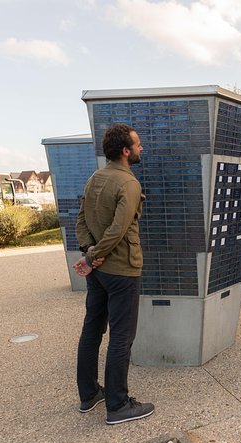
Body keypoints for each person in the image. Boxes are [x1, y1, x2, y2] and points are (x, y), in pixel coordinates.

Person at [72, 123, 154, 425]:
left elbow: (80, 220)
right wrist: (93, 255)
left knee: (91, 330)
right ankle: (118, 405)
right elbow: (118, 229)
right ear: (125, 150)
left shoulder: (95, 178)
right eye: (138, 144)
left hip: (99, 272)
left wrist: (88, 252)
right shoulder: (128, 183)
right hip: (122, 271)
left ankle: (89, 394)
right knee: (122, 337)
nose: (141, 148)